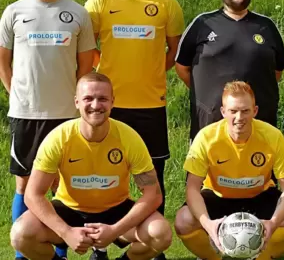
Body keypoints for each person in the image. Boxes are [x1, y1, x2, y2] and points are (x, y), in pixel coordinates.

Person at [85, 0, 184, 258]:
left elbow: (174, 52)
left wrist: (153, 72)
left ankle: (151, 245)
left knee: (152, 177)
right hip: (108, 106)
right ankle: (100, 243)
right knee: (105, 178)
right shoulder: (100, 0)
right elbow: (88, 48)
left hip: (150, 104)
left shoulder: (166, 3)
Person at [9, 72, 172, 260]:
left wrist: (114, 230)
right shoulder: (58, 138)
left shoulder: (129, 138)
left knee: (160, 232)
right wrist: (66, 232)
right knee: (21, 234)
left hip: (116, 210)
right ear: (77, 102)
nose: (96, 105)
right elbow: (33, 194)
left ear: (112, 101)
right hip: (69, 209)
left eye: (102, 98)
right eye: (88, 98)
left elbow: (153, 194)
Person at [0, 0, 95, 260]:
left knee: (61, 186)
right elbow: (4, 62)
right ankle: (21, 253)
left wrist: (77, 103)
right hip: (26, 113)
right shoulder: (14, 12)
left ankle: (58, 250)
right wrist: (15, 92)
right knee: (24, 182)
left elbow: (85, 68)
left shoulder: (77, 14)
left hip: (66, 114)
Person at [174, 81, 284, 260]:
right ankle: (214, 256)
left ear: (255, 111)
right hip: (218, 196)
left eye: (245, 111)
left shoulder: (273, 136)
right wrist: (209, 226)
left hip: (259, 196)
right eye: (233, 111)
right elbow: (192, 188)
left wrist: (273, 223)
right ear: (223, 112)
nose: (239, 117)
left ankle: (261, 256)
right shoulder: (206, 137)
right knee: (183, 220)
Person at [175, 0, 284, 141]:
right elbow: (182, 67)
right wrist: (208, 97)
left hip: (259, 128)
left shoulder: (266, 27)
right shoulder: (202, 24)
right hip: (209, 127)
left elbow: (276, 72)